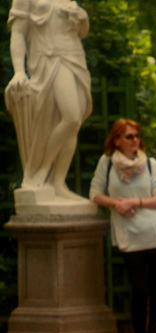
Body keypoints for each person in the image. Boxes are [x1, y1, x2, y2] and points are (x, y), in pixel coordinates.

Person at [89, 119, 156, 333]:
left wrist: (135, 201)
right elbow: (95, 193)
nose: (134, 140)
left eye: (136, 135)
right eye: (128, 136)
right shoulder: (106, 163)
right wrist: (117, 204)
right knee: (139, 288)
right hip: (130, 235)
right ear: (116, 140)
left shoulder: (150, 163)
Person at [5, 0, 92, 203]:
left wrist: (82, 18)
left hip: (75, 57)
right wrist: (19, 71)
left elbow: (80, 32)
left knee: (74, 123)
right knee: (71, 118)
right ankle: (39, 171)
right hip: (49, 58)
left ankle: (58, 183)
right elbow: (18, 33)